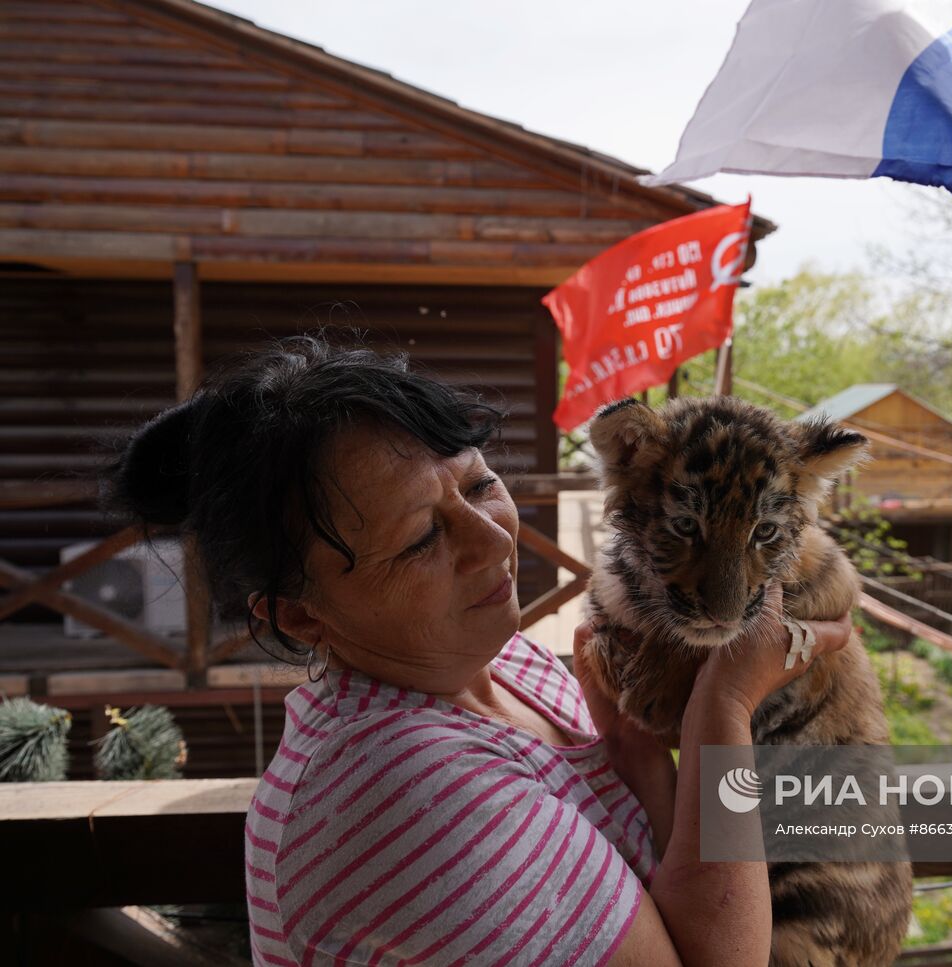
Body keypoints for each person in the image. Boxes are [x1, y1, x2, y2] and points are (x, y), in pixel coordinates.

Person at [106, 334, 850, 966]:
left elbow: (664, 884)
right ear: (302, 617)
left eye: (479, 482)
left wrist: (638, 754)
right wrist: (724, 712)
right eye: (423, 537)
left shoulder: (500, 661)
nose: (494, 538)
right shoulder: (406, 793)